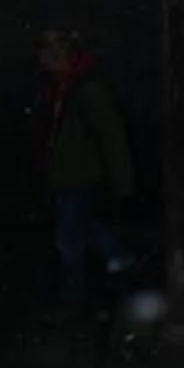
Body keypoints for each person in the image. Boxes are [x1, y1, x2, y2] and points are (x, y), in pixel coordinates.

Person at [31, 24, 135, 310]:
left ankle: (75, 292)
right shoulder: (57, 89)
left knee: (69, 237)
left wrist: (121, 180)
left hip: (78, 175)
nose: (43, 60)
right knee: (83, 227)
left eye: (48, 53)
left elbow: (111, 136)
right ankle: (117, 263)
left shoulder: (84, 91)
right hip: (66, 173)